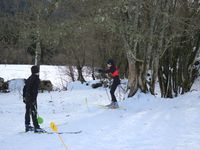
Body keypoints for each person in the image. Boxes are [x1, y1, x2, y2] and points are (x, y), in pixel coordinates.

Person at [23, 65, 44, 133]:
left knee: (28, 111)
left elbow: (24, 88)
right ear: (37, 71)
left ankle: (27, 125)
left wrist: (24, 97)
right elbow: (34, 90)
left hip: (27, 97)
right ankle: (36, 127)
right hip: (31, 98)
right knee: (33, 111)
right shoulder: (36, 79)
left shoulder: (29, 78)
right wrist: (33, 100)